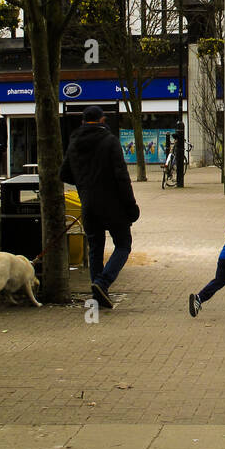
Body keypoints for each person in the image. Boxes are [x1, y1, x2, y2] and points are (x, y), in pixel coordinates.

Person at [60, 106, 139, 309]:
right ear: (103, 120)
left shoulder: (74, 142)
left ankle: (98, 293)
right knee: (123, 244)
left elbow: (64, 173)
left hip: (88, 203)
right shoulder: (110, 141)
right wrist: (131, 206)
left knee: (95, 247)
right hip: (113, 205)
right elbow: (122, 176)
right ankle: (102, 283)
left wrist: (83, 182)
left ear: (83, 121)